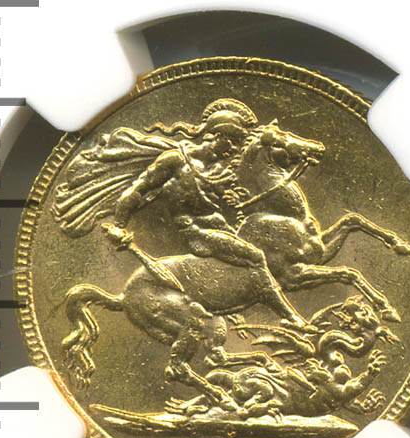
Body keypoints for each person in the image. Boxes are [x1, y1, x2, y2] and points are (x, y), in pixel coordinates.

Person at [105, 98, 309, 328]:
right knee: (255, 256)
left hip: (222, 227)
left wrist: (234, 203)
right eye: (233, 142)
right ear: (218, 137)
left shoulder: (220, 170)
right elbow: (137, 190)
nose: (234, 150)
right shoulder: (175, 160)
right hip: (196, 232)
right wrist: (118, 224)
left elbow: (229, 204)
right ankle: (289, 317)